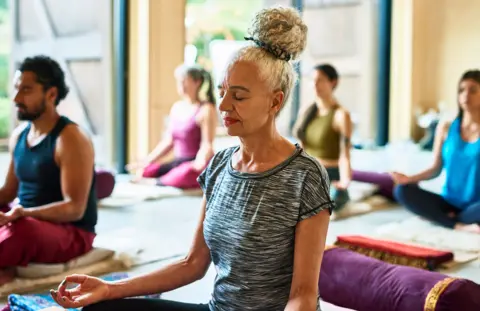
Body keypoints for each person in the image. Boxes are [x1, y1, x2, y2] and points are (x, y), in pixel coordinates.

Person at [50, 7, 333, 311]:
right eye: (222, 91)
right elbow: (193, 264)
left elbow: (302, 294)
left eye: (238, 96)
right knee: (101, 308)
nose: (223, 105)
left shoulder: (305, 175)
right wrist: (110, 288)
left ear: (275, 101)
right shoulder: (221, 165)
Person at [0, 55, 98, 284]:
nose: (16, 98)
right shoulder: (19, 136)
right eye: (16, 89)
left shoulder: (71, 138)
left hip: (70, 232)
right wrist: (17, 213)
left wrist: (24, 213)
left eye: (26, 90)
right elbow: (8, 193)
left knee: (21, 230)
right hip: (23, 218)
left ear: (51, 94)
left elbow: (74, 209)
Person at [391, 70, 480, 234]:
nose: (466, 95)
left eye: (473, 90)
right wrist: (409, 179)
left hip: (476, 205)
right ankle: (458, 224)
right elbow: (435, 168)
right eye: (461, 90)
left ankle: (445, 219)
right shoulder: (446, 127)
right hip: (448, 201)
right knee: (402, 191)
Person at [126, 65, 217, 189]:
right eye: (179, 81)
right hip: (179, 162)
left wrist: (198, 162)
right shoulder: (176, 108)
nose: (181, 85)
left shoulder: (206, 109)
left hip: (194, 163)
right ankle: (162, 179)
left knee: (187, 173)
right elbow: (169, 141)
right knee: (145, 171)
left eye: (184, 80)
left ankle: (157, 182)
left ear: (197, 82)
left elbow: (207, 144)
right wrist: (147, 161)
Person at [294, 64, 352, 210]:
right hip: (307, 172)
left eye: (320, 80)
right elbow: (300, 149)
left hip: (329, 174)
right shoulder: (306, 111)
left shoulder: (341, 115)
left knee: (326, 205)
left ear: (333, 82)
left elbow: (345, 154)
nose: (315, 84)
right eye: (312, 80)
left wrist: (345, 181)